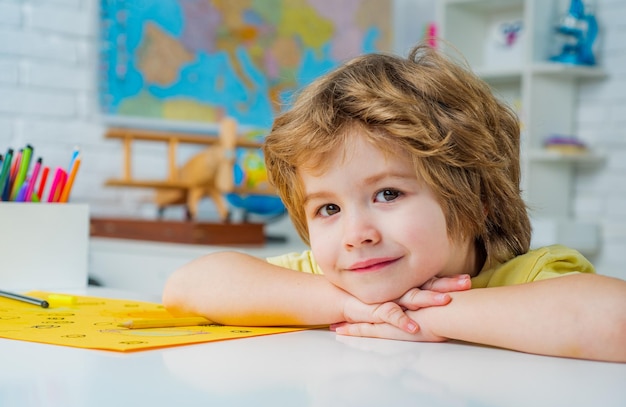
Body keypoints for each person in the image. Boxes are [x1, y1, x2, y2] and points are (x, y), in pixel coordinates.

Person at [163, 44, 626, 362]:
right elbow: (185, 288)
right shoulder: (340, 284)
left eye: (388, 194)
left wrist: (429, 316)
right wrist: (347, 307)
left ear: (476, 200)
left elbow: (615, 321)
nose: (355, 233)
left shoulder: (523, 278)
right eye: (328, 208)